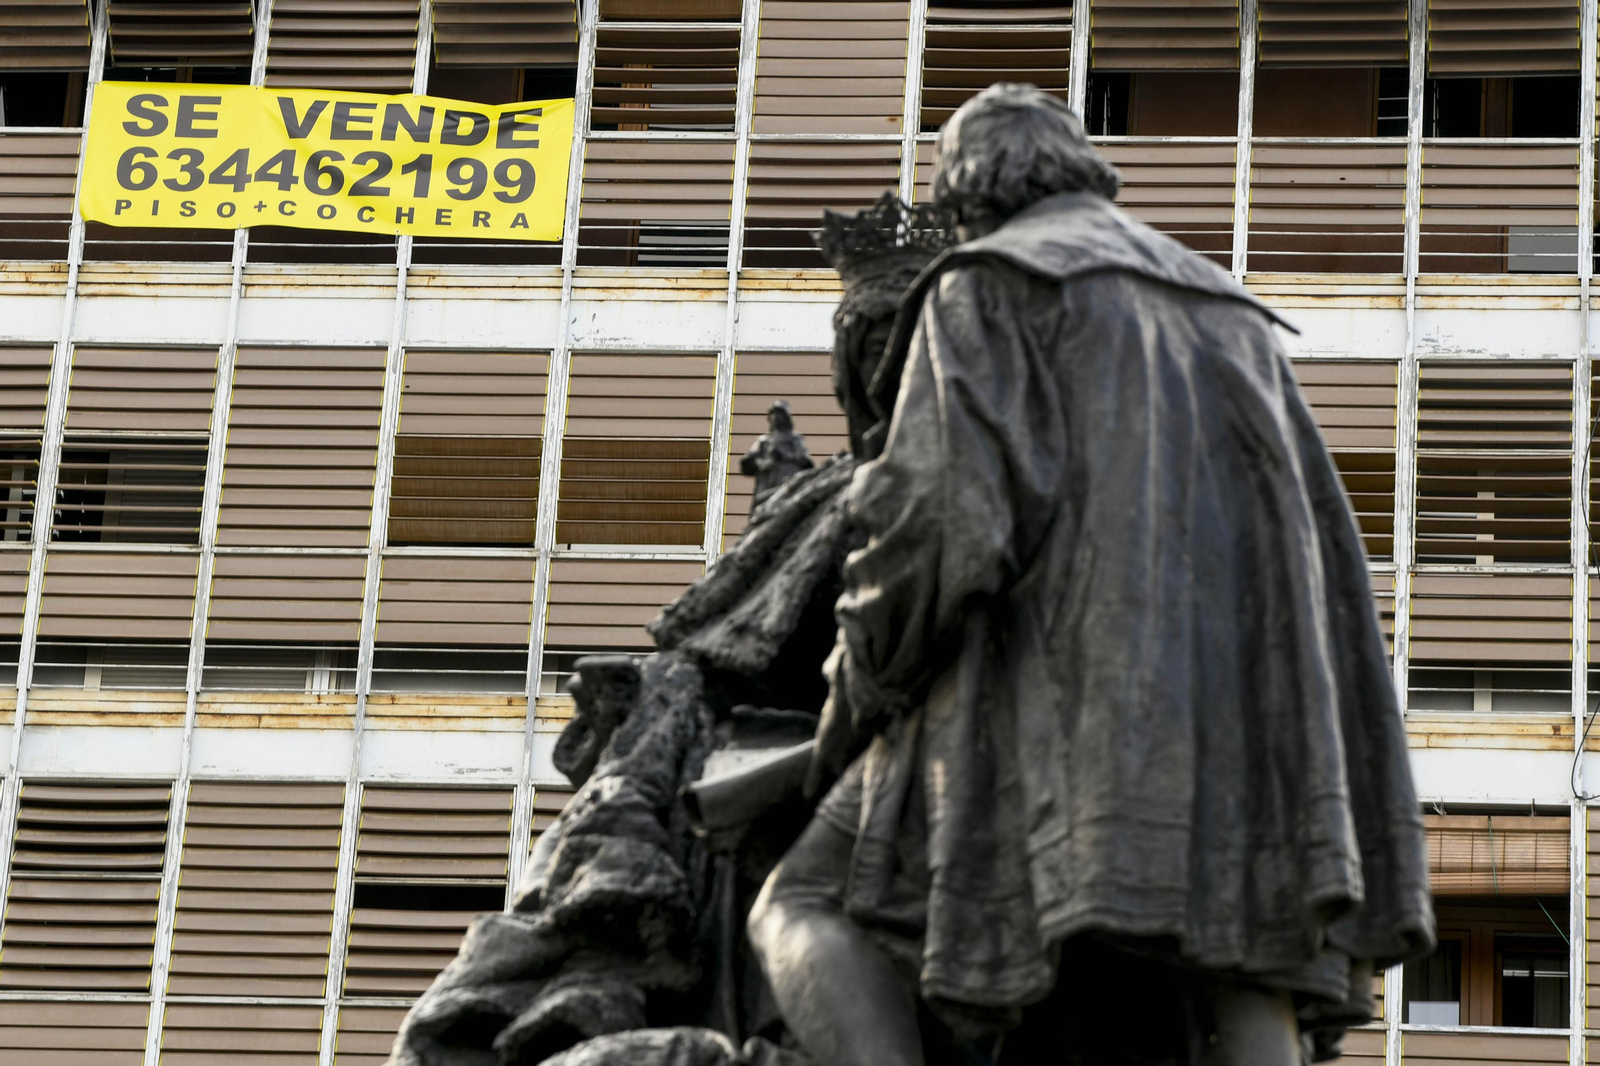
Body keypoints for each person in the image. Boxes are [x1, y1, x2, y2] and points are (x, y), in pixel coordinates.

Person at [746, 83, 1435, 1066]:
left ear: (968, 196)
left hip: (1045, 713)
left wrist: (864, 683)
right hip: (1249, 727)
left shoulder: (987, 283)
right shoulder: (1230, 311)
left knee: (803, 902)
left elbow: (936, 528)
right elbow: (1316, 546)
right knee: (1243, 948)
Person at [740, 400, 815, 507]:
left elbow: (806, 463)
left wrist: (785, 456)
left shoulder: (795, 440)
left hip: (787, 491)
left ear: (786, 417)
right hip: (765, 492)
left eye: (779, 414)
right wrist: (761, 463)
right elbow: (746, 464)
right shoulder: (763, 442)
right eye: (773, 414)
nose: (775, 418)